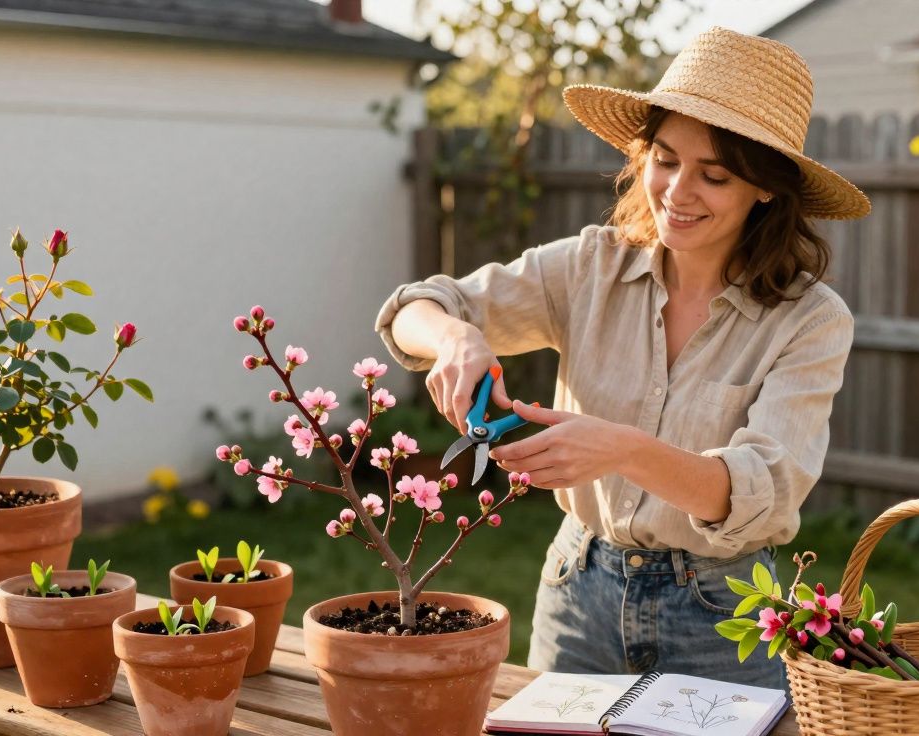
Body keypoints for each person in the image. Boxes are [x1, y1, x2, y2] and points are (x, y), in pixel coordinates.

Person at [373, 26, 870, 688]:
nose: (677, 191)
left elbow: (762, 492)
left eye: (714, 175)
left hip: (722, 614)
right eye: (665, 160)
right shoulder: (591, 266)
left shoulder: (809, 321)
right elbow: (413, 309)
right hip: (578, 590)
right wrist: (455, 336)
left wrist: (622, 450)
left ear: (767, 189)